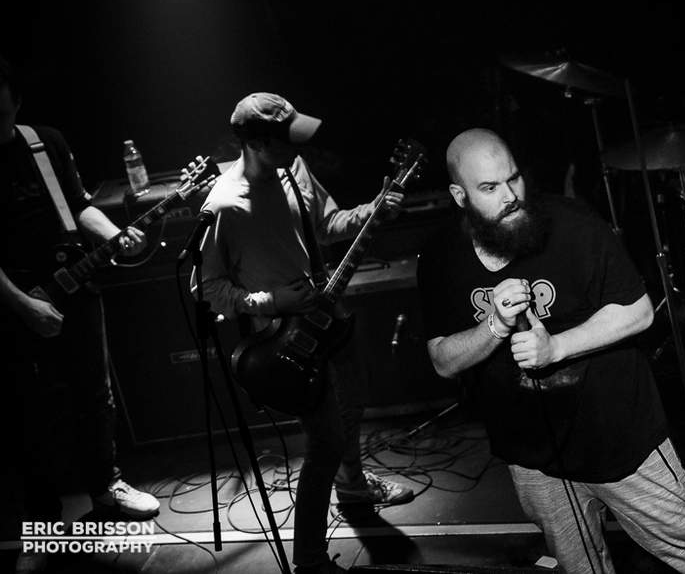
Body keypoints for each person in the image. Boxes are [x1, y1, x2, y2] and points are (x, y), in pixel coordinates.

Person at [417, 128, 685, 573]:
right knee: (579, 564)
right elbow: (442, 361)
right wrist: (492, 325)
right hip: (532, 456)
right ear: (459, 194)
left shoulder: (572, 225)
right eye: (489, 188)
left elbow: (639, 312)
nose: (510, 196)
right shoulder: (439, 258)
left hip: (619, 436)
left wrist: (557, 348)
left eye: (513, 179)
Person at [196, 92, 415, 574]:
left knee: (353, 404)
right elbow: (207, 287)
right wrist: (273, 302)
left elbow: (328, 224)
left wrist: (374, 208)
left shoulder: (294, 171)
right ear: (253, 142)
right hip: (286, 344)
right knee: (324, 445)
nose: (298, 147)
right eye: (285, 139)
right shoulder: (225, 204)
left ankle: (354, 486)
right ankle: (310, 560)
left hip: (329, 315)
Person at [0, 56, 160, 573]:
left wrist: (114, 234)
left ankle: (106, 487)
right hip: (12, 304)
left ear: (16, 100)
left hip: (75, 283)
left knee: (97, 391)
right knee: (28, 413)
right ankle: (41, 519)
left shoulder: (44, 142)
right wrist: (23, 305)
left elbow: (78, 203)